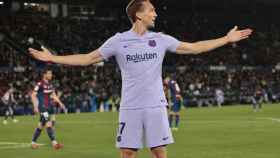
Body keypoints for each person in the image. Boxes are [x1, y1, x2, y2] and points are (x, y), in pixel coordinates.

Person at [28, 0, 252, 157]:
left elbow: (195, 48)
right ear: (139, 14)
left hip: (156, 105)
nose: (155, 13)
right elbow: (87, 58)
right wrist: (52, 58)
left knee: (159, 152)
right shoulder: (118, 41)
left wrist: (226, 38)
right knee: (127, 153)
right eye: (151, 10)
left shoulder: (161, 39)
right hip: (130, 106)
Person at [30, 68, 66, 150]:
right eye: (49, 74)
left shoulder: (50, 84)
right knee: (48, 123)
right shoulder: (40, 84)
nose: (51, 75)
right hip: (42, 107)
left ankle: (33, 143)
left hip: (48, 106)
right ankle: (55, 144)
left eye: (51, 74)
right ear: (44, 75)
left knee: (40, 126)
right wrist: (35, 106)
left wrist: (60, 103)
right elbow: (33, 95)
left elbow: (53, 95)